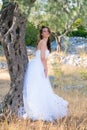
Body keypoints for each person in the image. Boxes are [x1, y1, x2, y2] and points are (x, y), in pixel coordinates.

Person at [18, 26, 69, 122]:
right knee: (40, 88)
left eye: (47, 31)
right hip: (38, 66)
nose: (45, 33)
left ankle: (38, 110)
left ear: (49, 33)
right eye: (43, 31)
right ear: (41, 33)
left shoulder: (43, 42)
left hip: (36, 66)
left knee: (40, 88)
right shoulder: (43, 42)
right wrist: (46, 68)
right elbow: (42, 57)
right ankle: (38, 112)